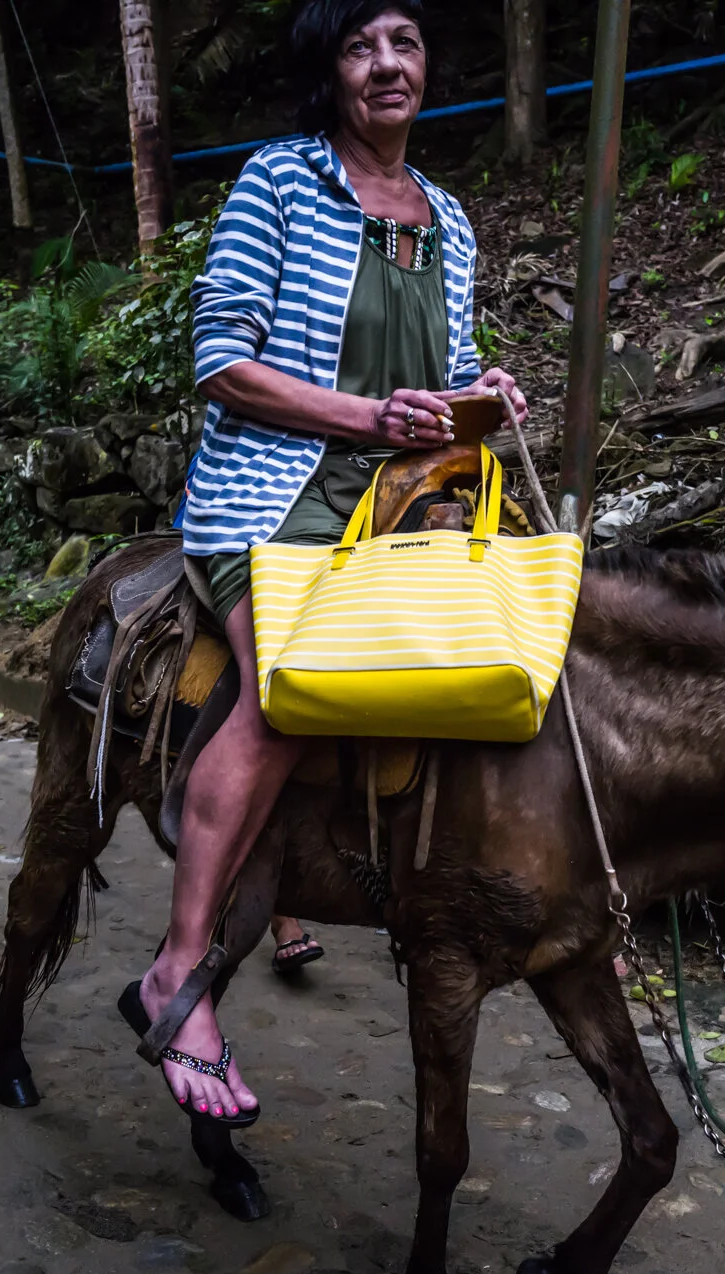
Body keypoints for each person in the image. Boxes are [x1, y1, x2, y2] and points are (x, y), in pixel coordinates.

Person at [128, 0, 528, 1127]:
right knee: (288, 692)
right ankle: (179, 966)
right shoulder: (280, 181)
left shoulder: (449, 216)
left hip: (403, 501)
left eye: (405, 42)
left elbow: (445, 381)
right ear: (331, 72)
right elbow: (222, 362)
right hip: (275, 493)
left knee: (504, 660)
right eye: (361, 47)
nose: (387, 65)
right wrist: (366, 416)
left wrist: (481, 398)